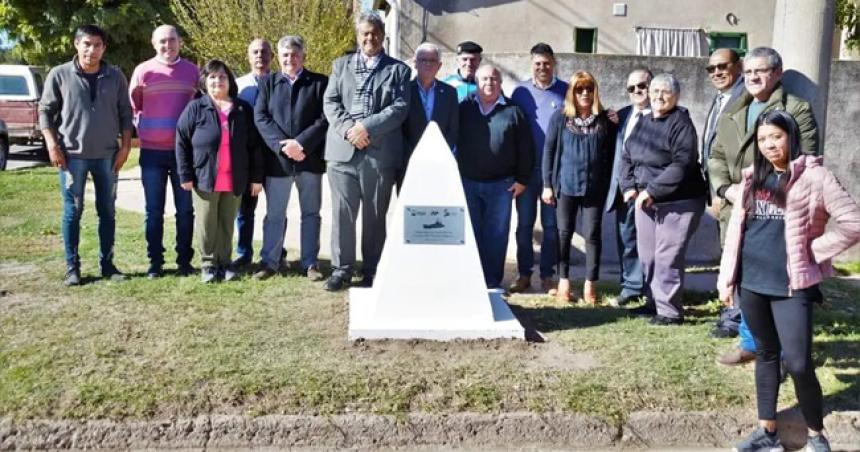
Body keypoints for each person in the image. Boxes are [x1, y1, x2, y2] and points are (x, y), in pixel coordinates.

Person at [718, 110, 860, 452]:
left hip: (791, 286)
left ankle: (815, 435)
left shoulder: (816, 176)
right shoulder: (752, 177)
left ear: (791, 136)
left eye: (776, 137)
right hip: (752, 283)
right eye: (763, 138)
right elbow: (737, 233)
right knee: (766, 354)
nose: (769, 145)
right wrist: (727, 280)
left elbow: (853, 221)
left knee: (797, 362)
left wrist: (815, 250)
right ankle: (767, 432)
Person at [709, 46, 819, 365]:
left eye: (761, 71)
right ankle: (749, 343)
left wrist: (761, 192)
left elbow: (805, 159)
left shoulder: (796, 109)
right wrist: (726, 189)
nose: (753, 77)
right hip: (736, 208)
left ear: (777, 74)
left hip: (775, 212)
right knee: (745, 279)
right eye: (749, 72)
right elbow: (716, 156)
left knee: (776, 282)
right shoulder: (734, 108)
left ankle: (780, 354)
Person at [322, 11, 411, 291]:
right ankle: (342, 269)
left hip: (378, 153)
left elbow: (399, 108)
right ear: (358, 36)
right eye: (364, 33)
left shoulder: (398, 70)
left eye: (374, 32)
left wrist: (366, 128)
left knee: (375, 214)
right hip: (342, 152)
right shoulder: (340, 65)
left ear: (383, 35)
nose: (369, 37)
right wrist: (350, 129)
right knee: (342, 214)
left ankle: (373, 268)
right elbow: (331, 101)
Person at [39, 24, 133, 286]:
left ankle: (107, 264)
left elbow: (126, 113)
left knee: (108, 212)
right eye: (87, 44)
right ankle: (72, 268)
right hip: (72, 157)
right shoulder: (59, 74)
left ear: (104, 48)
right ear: (76, 44)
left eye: (97, 45)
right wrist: (52, 145)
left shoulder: (115, 77)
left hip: (107, 156)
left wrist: (125, 147)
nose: (92, 50)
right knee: (73, 212)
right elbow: (45, 111)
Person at [620, 73, 706, 326]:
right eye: (654, 90)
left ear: (676, 96)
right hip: (646, 201)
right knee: (648, 256)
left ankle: (670, 312)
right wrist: (629, 186)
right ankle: (653, 302)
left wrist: (652, 190)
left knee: (667, 257)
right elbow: (627, 155)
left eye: (665, 91)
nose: (658, 96)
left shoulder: (681, 123)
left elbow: (683, 163)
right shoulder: (644, 121)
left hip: (679, 202)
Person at [175, 60, 263, 283]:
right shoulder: (195, 107)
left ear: (229, 81)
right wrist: (185, 175)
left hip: (234, 178)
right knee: (207, 223)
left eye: (222, 76)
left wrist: (255, 177)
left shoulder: (243, 109)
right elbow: (182, 141)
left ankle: (225, 262)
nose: (217, 81)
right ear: (205, 81)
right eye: (212, 77)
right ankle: (208, 264)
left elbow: (254, 146)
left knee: (226, 222)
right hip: (205, 177)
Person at [252, 35, 328, 281]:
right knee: (275, 214)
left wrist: (301, 143)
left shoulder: (318, 83)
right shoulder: (268, 83)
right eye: (285, 55)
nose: (290, 59)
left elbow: (324, 119)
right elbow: (261, 117)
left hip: (309, 158)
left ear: (303, 56)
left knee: (311, 214)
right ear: (279, 57)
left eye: (294, 54)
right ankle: (270, 262)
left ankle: (310, 263)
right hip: (279, 162)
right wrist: (282, 146)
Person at [129, 25, 199, 279]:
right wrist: (146, 130)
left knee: (185, 210)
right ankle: (155, 262)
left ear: (180, 42)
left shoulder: (193, 72)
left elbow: (199, 107)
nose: (167, 45)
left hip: (183, 153)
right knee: (153, 210)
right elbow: (134, 107)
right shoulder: (142, 71)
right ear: (153, 43)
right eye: (162, 41)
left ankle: (184, 261)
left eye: (171, 40)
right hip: (151, 153)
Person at [456, 64, 533, 290]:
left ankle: (491, 282)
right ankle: (472, 280)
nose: (489, 83)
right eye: (484, 79)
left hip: (502, 186)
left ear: (500, 83)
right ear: (476, 83)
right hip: (469, 182)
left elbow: (526, 149)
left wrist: (522, 180)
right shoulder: (464, 108)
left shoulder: (514, 111)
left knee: (497, 236)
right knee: (471, 233)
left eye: (494, 79)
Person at [541, 71, 614, 304]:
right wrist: (547, 185)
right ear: (572, 93)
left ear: (595, 92)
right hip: (567, 186)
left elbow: (613, 152)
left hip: (595, 188)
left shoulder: (605, 120)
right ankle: (563, 282)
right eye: (579, 89)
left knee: (593, 236)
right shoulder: (560, 118)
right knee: (563, 234)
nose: (585, 93)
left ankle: (590, 285)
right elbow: (549, 152)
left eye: (589, 89)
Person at [508, 42, 567, 294]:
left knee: (552, 227)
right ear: (531, 65)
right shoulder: (520, 92)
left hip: (553, 173)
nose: (542, 67)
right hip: (525, 171)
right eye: (537, 64)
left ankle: (547, 276)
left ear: (553, 63)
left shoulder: (566, 90)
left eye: (546, 63)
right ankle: (524, 274)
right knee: (524, 225)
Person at [701, 48, 746, 339]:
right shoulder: (721, 99)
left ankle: (736, 316)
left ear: (738, 66)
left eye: (722, 66)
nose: (716, 72)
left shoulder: (744, 98)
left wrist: (725, 190)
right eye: (711, 68)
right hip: (719, 188)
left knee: (736, 253)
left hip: (735, 189)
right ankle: (731, 309)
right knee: (727, 251)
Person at [604, 68, 650, 306]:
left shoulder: (665, 114)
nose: (637, 91)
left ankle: (651, 288)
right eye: (631, 88)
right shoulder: (621, 116)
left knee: (651, 243)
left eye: (642, 86)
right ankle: (631, 287)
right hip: (624, 189)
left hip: (650, 192)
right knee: (627, 239)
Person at [233, 38, 274, 269]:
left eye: (264, 51)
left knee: (275, 209)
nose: (260, 56)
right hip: (248, 156)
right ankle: (244, 252)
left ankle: (276, 251)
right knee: (245, 210)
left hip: (275, 155)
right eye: (255, 52)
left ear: (272, 56)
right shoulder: (238, 86)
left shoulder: (279, 83)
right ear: (248, 57)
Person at [400, 41, 458, 190]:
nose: (428, 64)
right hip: (409, 164)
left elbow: (453, 129)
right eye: (423, 60)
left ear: (439, 65)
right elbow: (399, 128)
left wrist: (441, 154)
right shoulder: (403, 90)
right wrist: (414, 155)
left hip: (440, 165)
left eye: (432, 60)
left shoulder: (450, 93)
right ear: (415, 63)